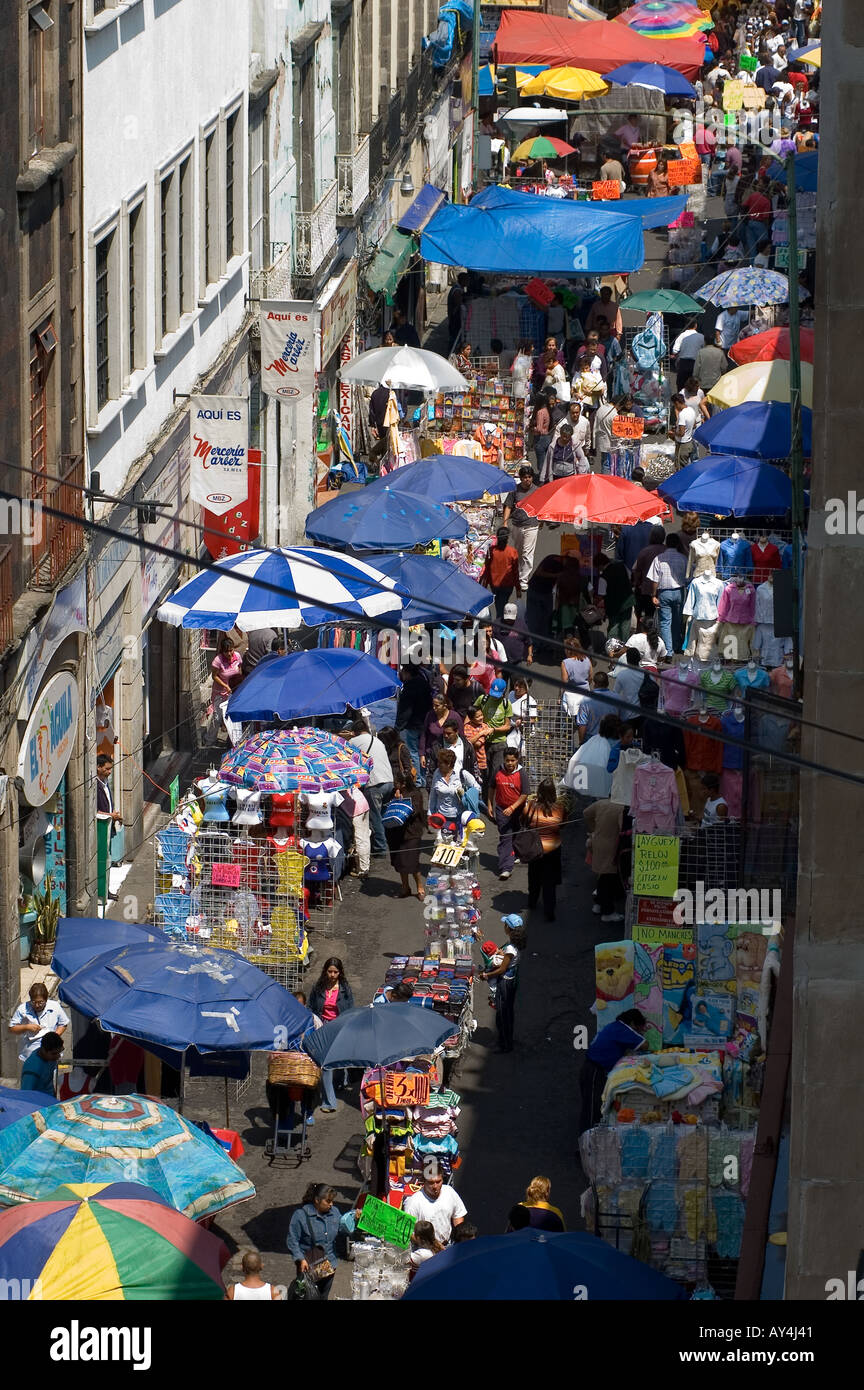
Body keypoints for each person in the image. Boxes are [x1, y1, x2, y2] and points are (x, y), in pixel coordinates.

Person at [578, 1009, 647, 1133]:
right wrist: (641, 1034)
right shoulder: (623, 1029)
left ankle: (591, 1139)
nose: (639, 1032)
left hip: (592, 1069)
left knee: (595, 1108)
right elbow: (645, 1045)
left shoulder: (613, 1027)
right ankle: (588, 1142)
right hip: (594, 1071)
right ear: (632, 1023)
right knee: (593, 1110)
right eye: (638, 1028)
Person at [286, 1183, 359, 1300]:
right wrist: (300, 1259)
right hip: (309, 1268)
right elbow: (292, 1240)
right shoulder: (300, 1216)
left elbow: (342, 1229)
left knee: (324, 1297)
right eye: (328, 1201)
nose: (331, 1204)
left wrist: (353, 1218)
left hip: (329, 1266)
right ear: (317, 1200)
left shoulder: (334, 1212)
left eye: (332, 1201)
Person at [308, 959, 355, 1111]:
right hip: (323, 1027)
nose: (332, 975)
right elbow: (311, 1007)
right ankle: (329, 1102)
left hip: (339, 1026)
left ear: (340, 973)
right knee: (326, 1063)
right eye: (330, 971)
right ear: (325, 971)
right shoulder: (318, 988)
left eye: (335, 972)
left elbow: (350, 1009)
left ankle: (340, 1081)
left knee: (338, 1058)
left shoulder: (345, 989)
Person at [479, 915, 526, 1053]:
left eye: (505, 924)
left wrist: (486, 975)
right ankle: (507, 1040)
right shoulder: (514, 943)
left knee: (503, 1014)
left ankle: (505, 1045)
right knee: (507, 1011)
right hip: (512, 979)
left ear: (508, 928)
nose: (504, 926)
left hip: (505, 982)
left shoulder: (510, 948)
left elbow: (502, 969)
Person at [348, 719, 393, 857]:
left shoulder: (353, 741)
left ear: (354, 732)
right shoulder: (378, 741)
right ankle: (387, 843)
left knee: (375, 818)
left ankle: (380, 849)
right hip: (389, 781)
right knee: (383, 816)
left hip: (374, 784)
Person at [522, 779, 565, 921]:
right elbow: (562, 825)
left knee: (534, 877)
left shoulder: (531, 806)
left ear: (539, 791)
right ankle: (549, 911)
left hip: (534, 848)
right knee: (549, 882)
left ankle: (532, 902)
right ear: (554, 793)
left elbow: (524, 820)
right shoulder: (560, 808)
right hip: (553, 849)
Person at [583, 797, 628, 923]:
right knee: (608, 878)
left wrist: (593, 829)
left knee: (603, 875)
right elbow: (622, 828)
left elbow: (586, 813)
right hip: (612, 846)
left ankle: (599, 904)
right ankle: (607, 911)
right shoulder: (621, 808)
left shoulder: (600, 803)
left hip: (598, 842)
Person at [487, 747, 529, 880]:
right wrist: (490, 804)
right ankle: (506, 867)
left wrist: (513, 807)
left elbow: (525, 794)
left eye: (513, 760)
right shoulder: (498, 770)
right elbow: (491, 787)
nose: (510, 763)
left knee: (517, 833)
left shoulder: (522, 773)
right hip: (502, 810)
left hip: (518, 810)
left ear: (517, 760)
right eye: (507, 760)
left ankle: (515, 854)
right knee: (506, 836)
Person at [385, 771, 426, 899]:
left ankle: (420, 887)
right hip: (396, 832)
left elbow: (414, 811)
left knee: (412, 862)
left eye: (396, 782)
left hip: (411, 833)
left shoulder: (415, 794)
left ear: (403, 783)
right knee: (400, 862)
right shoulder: (393, 792)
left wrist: (400, 801)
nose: (394, 784)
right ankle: (405, 887)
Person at [403, 1164, 467, 1245]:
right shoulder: (413, 1203)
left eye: (438, 1182)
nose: (435, 1186)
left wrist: (460, 1235)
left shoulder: (449, 1192)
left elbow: (458, 1215)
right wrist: (431, 1246)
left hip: (448, 1244)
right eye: (431, 1183)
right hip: (424, 1248)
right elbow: (408, 1232)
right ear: (424, 1181)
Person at [10, 981, 69, 1065]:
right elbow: (12, 1028)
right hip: (30, 1054)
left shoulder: (55, 1006)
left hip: (51, 1054)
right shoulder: (22, 1009)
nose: (37, 1005)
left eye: (41, 1002)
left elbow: (63, 1023)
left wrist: (53, 1037)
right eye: (34, 1002)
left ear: (46, 999)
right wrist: (26, 1027)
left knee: (50, 1072)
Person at [503, 465, 540, 591]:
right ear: (521, 478)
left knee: (527, 553)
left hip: (531, 525)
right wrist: (505, 523)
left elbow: (542, 506)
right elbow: (508, 506)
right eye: (524, 477)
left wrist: (542, 520)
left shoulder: (537, 491)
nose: (527, 480)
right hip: (517, 525)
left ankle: (523, 580)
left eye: (529, 477)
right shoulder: (514, 490)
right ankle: (518, 573)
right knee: (518, 552)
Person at [648, 534, 688, 654]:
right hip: (679, 592)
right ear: (678, 544)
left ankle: (668, 651)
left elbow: (655, 580)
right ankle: (676, 645)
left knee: (665, 622)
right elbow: (688, 577)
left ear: (666, 543)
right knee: (677, 621)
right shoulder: (683, 558)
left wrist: (653, 595)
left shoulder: (659, 558)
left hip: (664, 592)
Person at [428, 748, 480, 836]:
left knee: (459, 840)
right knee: (444, 841)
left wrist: (466, 795)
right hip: (442, 816)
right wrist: (430, 813)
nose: (438, 765)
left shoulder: (461, 773)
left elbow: (477, 788)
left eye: (440, 763)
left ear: (449, 764)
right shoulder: (437, 773)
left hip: (459, 816)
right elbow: (433, 794)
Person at [95, 754, 123, 903]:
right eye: (107, 769)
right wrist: (111, 815)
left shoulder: (105, 782)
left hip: (108, 827)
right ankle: (101, 891)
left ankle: (106, 890)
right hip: (100, 830)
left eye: (111, 769)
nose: (109, 771)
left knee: (107, 859)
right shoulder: (95, 785)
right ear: (98, 767)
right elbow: (95, 811)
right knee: (102, 860)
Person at [395, 664, 433, 770]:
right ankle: (423, 775)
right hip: (425, 722)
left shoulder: (409, 687)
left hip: (413, 725)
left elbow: (405, 710)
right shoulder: (424, 683)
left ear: (407, 673)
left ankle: (418, 777)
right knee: (423, 751)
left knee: (413, 752)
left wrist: (397, 727)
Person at [480, 527, 520, 617]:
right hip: (508, 584)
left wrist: (484, 585)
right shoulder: (512, 552)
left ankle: (500, 619)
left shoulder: (491, 551)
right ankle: (501, 620)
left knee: (499, 603)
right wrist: (518, 588)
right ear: (507, 538)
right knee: (502, 603)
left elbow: (486, 568)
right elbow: (515, 572)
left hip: (494, 584)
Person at [595, 552, 634, 643]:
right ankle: (624, 646)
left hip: (613, 605)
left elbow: (601, 594)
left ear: (600, 565)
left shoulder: (603, 577)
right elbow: (630, 578)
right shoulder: (622, 566)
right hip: (628, 601)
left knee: (614, 626)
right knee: (625, 626)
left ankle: (612, 648)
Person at [420, 693, 461, 776]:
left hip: (449, 755)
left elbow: (461, 736)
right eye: (433, 705)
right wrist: (422, 754)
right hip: (432, 754)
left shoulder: (455, 716)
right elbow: (424, 734)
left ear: (444, 706)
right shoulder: (430, 715)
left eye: (437, 706)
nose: (434, 708)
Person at [463, 704, 493, 799]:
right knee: (472, 786)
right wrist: (481, 733)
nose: (481, 718)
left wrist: (475, 737)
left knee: (484, 786)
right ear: (471, 718)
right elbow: (469, 743)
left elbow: (478, 744)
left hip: (482, 762)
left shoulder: (485, 726)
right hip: (471, 762)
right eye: (477, 716)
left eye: (481, 715)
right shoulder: (467, 727)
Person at [672, 319, 705, 391]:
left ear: (686, 325)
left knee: (681, 385)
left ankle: (681, 398)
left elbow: (675, 350)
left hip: (683, 363)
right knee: (694, 385)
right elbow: (704, 350)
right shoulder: (701, 337)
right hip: (695, 363)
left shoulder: (682, 335)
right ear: (696, 325)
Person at [211, 636, 243, 706]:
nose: (229, 654)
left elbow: (240, 668)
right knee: (220, 710)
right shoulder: (218, 661)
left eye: (231, 650)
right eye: (226, 651)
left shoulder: (237, 656)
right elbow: (214, 676)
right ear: (222, 651)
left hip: (234, 690)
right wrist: (226, 686)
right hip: (221, 693)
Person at [671, 392, 699, 469]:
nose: (675, 408)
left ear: (677, 403)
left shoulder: (682, 414)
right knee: (687, 465)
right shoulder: (691, 410)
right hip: (689, 442)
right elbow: (694, 425)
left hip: (682, 444)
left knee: (680, 467)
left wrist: (673, 433)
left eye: (675, 405)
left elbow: (681, 433)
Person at [447, 273, 468, 352]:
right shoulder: (457, 291)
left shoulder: (458, 288)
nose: (468, 282)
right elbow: (459, 304)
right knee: (454, 338)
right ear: (462, 280)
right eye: (467, 280)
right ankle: (451, 353)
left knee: (454, 338)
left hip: (454, 318)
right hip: (455, 318)